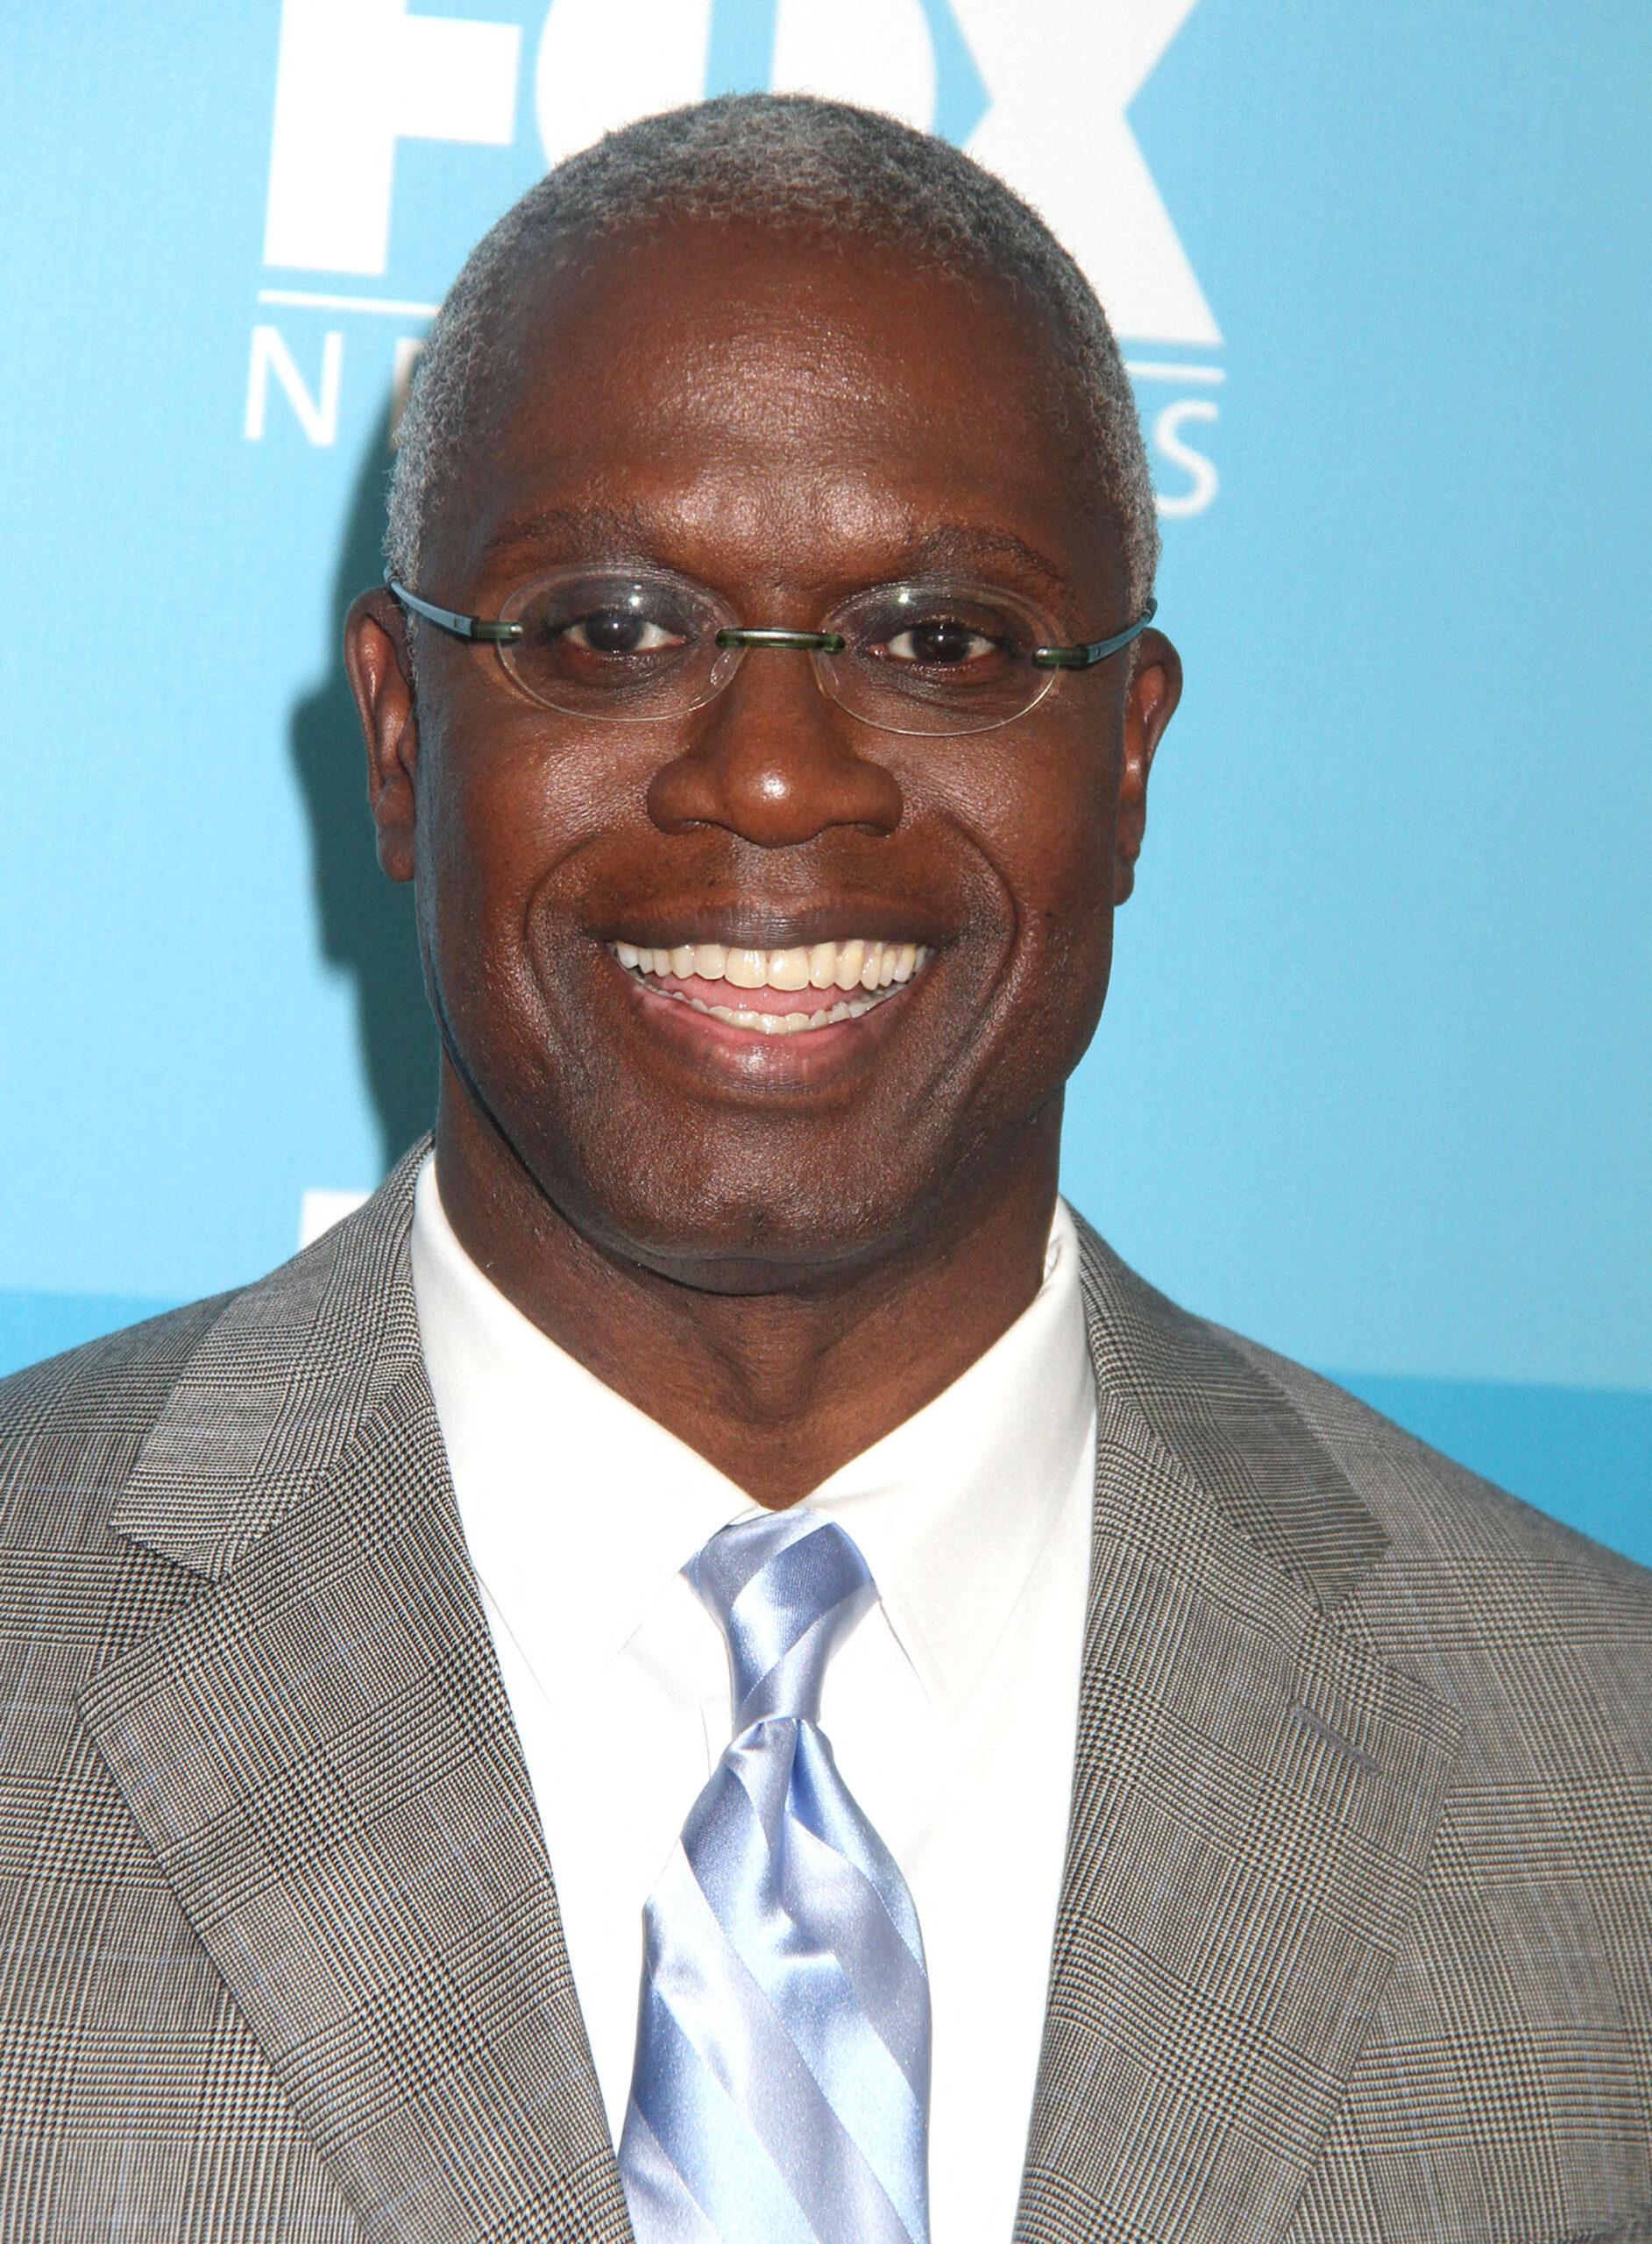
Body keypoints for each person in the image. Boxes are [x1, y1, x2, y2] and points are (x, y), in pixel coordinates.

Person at [0, 91, 1647, 2244]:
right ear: (403, 735)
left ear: (1126, 759)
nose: (773, 771)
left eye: (941, 642)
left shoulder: (1597, 1778)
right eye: (608, 627)